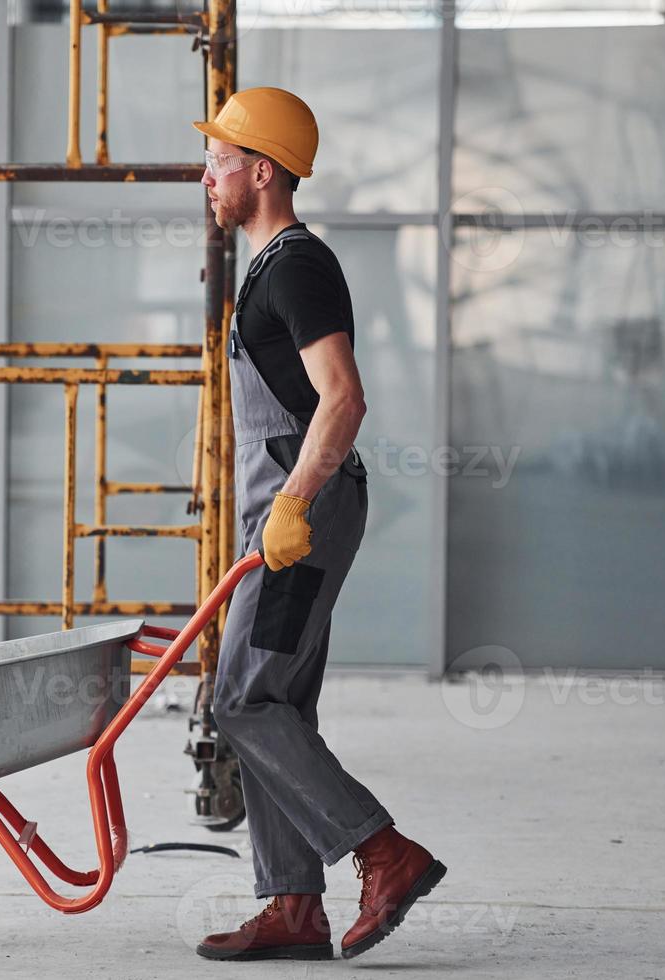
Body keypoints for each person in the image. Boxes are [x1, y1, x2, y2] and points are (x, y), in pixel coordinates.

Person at [190, 87, 446, 962]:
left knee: (244, 699)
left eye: (220, 161)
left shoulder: (295, 266)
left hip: (302, 506)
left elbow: (344, 397)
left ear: (262, 172)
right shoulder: (267, 266)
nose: (207, 176)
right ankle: (294, 906)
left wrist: (292, 505)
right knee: (277, 698)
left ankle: (384, 853)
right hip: (287, 504)